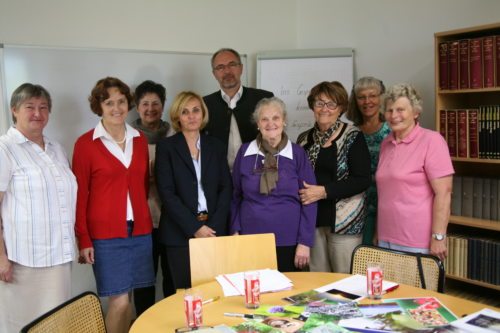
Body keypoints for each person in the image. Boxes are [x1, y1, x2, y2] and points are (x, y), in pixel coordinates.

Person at [73, 77, 154, 333]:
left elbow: (142, 185)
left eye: (121, 101)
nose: (116, 108)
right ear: (99, 106)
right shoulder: (85, 145)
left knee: (128, 300)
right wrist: (83, 238)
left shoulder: (139, 140)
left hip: (139, 231)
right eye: (109, 102)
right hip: (106, 235)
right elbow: (80, 195)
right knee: (118, 302)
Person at [0, 83, 77, 332]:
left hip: (60, 255)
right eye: (29, 107)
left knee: (57, 324)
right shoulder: (5, 148)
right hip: (24, 260)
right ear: (14, 110)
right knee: (23, 325)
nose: (37, 113)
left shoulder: (56, 149)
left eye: (43, 107)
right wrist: (0, 256)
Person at [155, 91, 232, 289]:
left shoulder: (216, 146)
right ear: (177, 117)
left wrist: (212, 227)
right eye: (185, 112)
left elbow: (226, 188)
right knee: (183, 294)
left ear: (203, 113)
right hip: (179, 232)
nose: (191, 116)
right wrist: (195, 228)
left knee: (214, 290)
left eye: (196, 110)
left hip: (213, 230)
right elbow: (167, 193)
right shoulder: (166, 147)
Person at [231, 97, 317, 272]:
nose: (271, 124)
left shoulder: (297, 153)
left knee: (290, 295)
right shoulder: (245, 152)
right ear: (258, 124)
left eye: (276, 118)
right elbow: (235, 195)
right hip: (251, 238)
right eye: (264, 119)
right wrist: (234, 231)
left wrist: (305, 242)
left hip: (290, 239)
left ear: (284, 121)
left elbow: (310, 199)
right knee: (256, 293)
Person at [297, 81, 371, 273]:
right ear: (312, 105)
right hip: (312, 221)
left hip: (345, 223)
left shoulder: (353, 136)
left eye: (332, 104)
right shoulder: (304, 139)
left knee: (345, 284)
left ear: (341, 109)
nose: (325, 109)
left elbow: (362, 180)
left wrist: (324, 191)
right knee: (318, 282)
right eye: (319, 103)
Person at [376, 83, 453, 261]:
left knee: (414, 290)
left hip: (417, 240)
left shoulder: (432, 141)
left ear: (416, 112)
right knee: (388, 289)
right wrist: (379, 234)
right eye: (389, 110)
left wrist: (438, 237)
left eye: (401, 109)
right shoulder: (386, 144)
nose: (394, 115)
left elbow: (444, 193)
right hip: (386, 237)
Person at [130, 80, 175, 316]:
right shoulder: (128, 137)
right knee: (144, 283)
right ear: (137, 107)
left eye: (155, 103)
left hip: (171, 220)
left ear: (163, 105)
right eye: (145, 103)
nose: (150, 108)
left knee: (172, 279)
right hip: (141, 221)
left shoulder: (174, 133)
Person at [203, 48, 274, 168]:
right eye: (220, 67)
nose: (227, 71)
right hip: (220, 177)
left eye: (232, 65)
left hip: (257, 173)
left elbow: (276, 137)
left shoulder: (264, 99)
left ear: (241, 68)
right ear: (214, 74)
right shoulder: (204, 104)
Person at [346, 77, 391, 245]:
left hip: (386, 205)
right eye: (361, 97)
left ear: (382, 98)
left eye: (372, 95)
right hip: (357, 206)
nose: (367, 101)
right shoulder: (351, 132)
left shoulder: (393, 129)